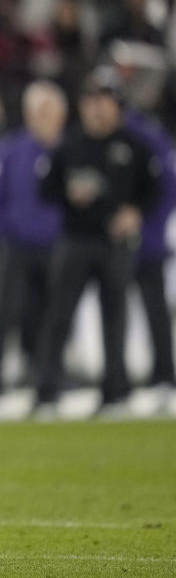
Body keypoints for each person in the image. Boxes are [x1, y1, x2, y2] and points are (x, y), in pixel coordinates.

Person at [34, 70, 161, 416]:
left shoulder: (134, 145)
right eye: (90, 101)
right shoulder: (70, 144)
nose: (96, 109)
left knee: (115, 319)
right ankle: (46, 393)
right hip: (75, 240)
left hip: (114, 243)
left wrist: (135, 213)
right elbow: (46, 190)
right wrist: (68, 193)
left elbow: (154, 190)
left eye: (104, 101)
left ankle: (115, 394)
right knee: (59, 317)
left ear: (117, 106)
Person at [0, 81, 66, 402]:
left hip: (57, 247)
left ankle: (48, 384)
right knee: (1, 314)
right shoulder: (12, 149)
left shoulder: (68, 149)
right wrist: (0, 232)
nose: (41, 117)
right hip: (15, 245)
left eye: (47, 110)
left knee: (52, 317)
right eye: (36, 111)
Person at [123, 108, 175, 410]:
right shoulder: (100, 133)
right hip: (106, 240)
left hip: (149, 241)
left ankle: (164, 377)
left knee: (156, 312)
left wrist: (148, 225)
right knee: (113, 314)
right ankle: (115, 380)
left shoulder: (152, 136)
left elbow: (168, 189)